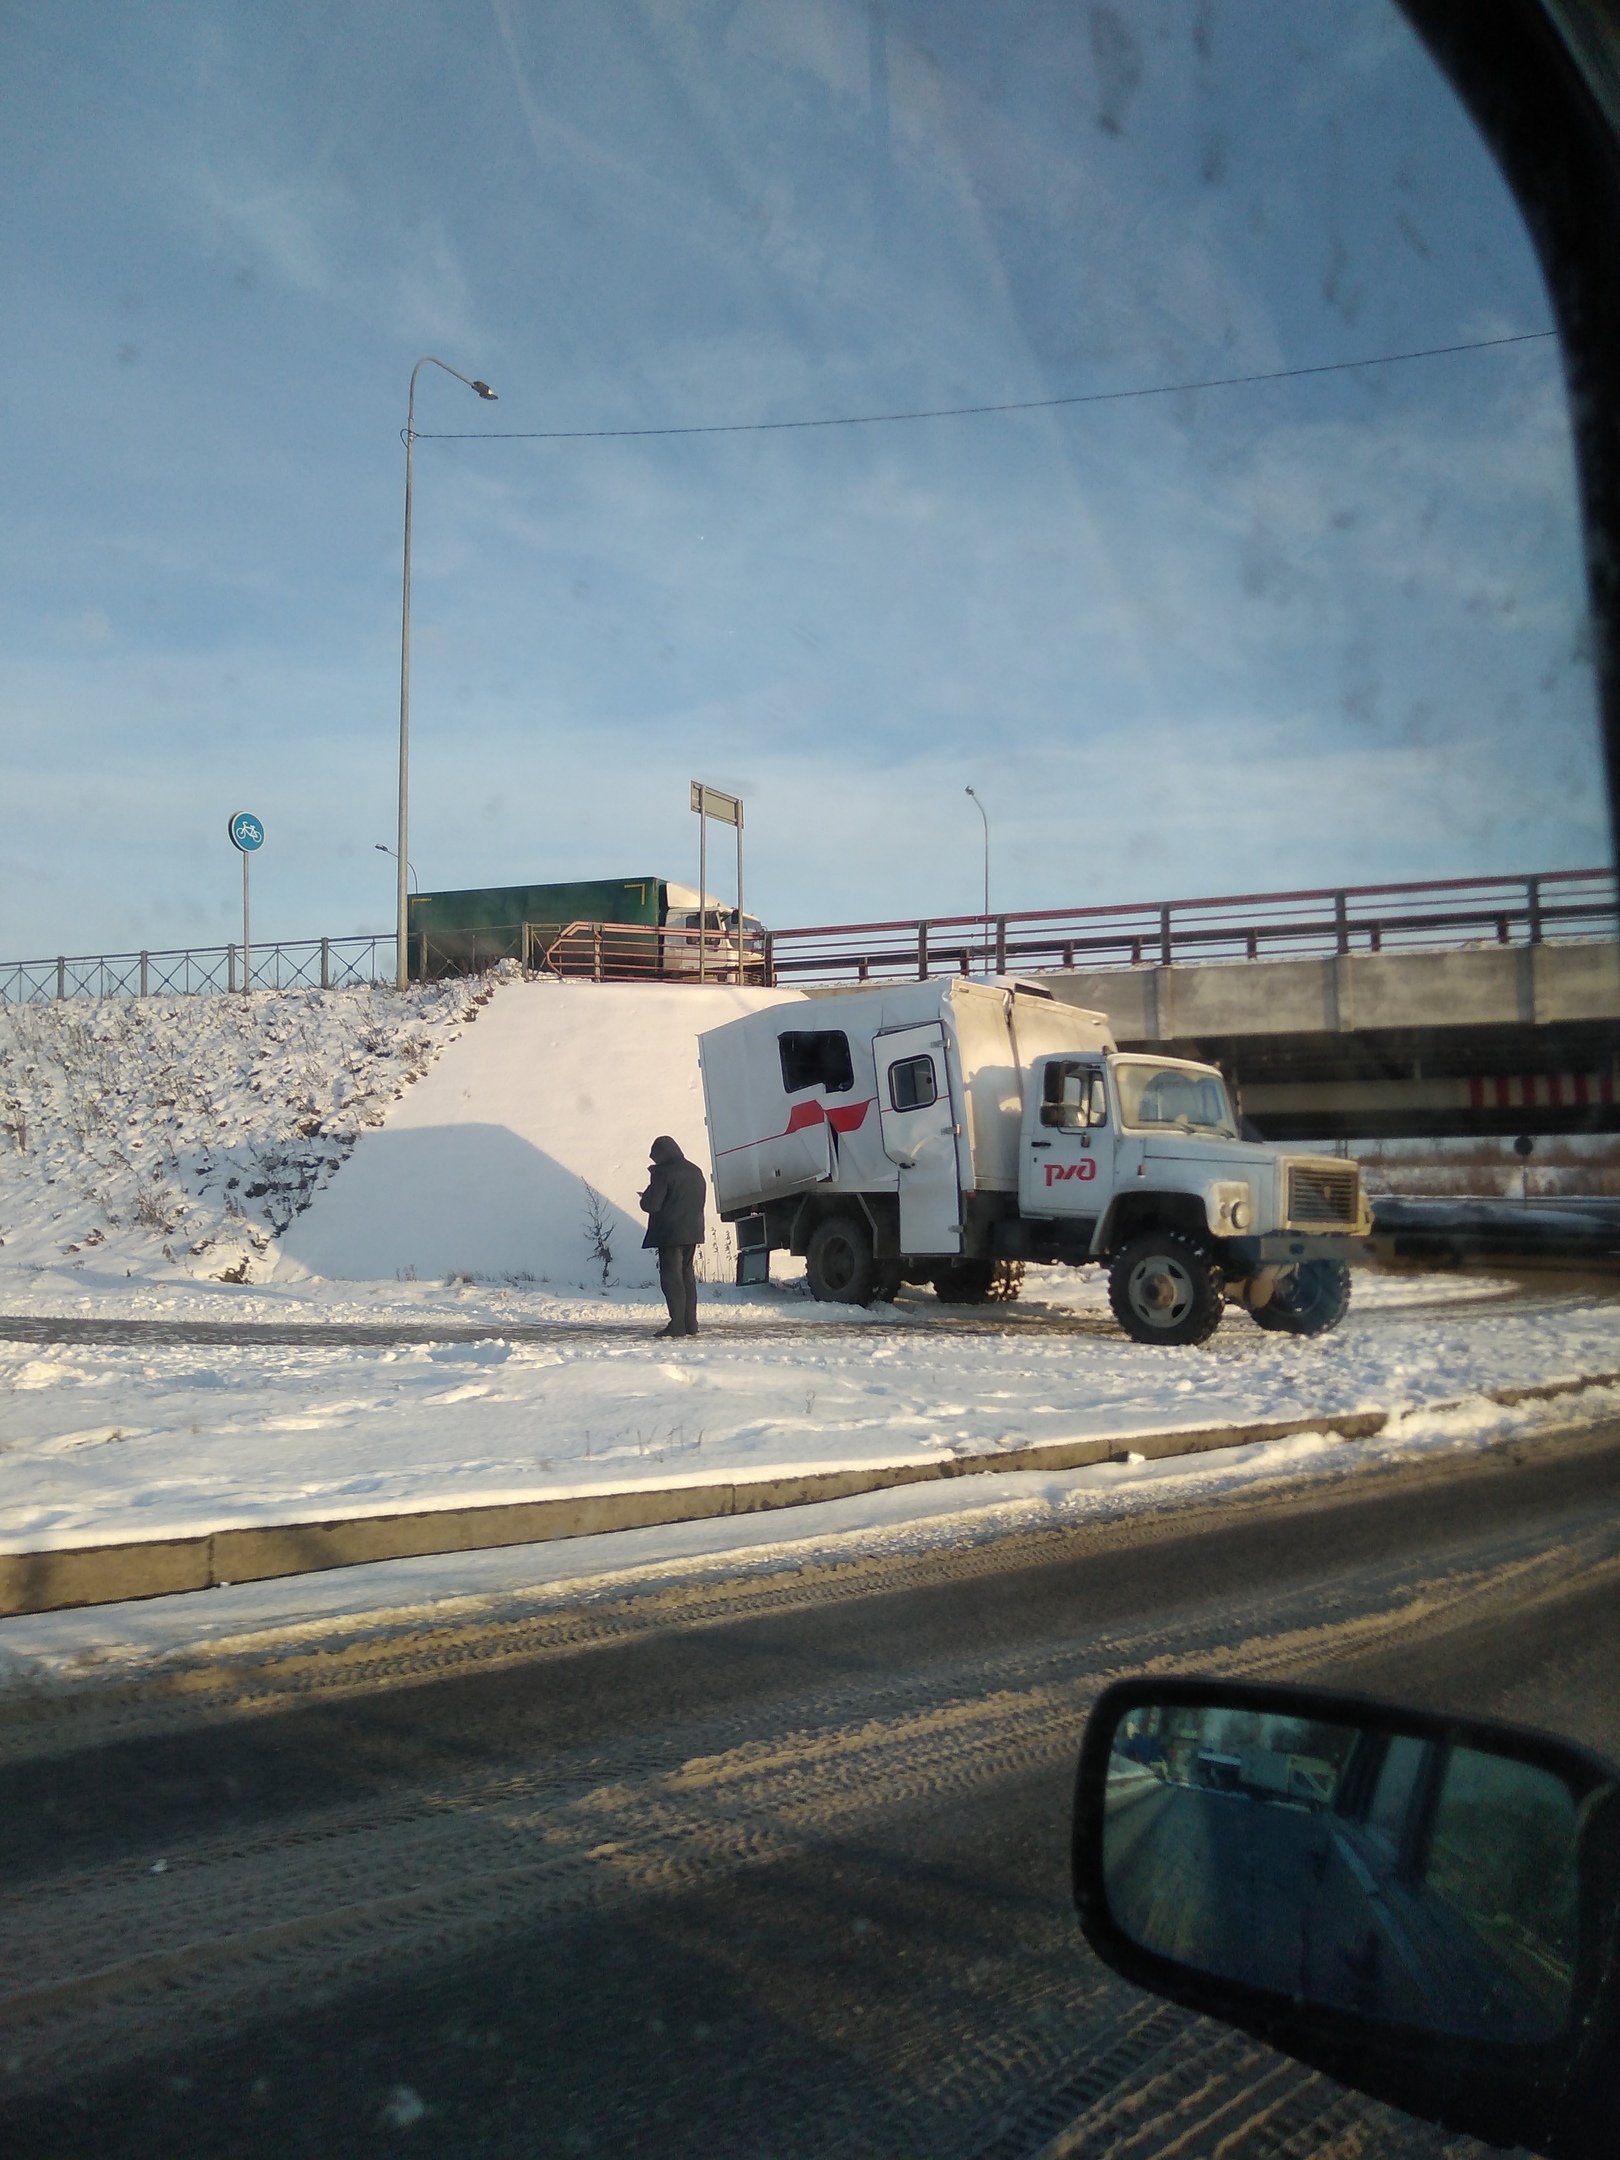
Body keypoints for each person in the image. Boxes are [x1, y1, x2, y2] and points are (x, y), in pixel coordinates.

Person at [639, 1134, 707, 1339]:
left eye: (655, 1157)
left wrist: (645, 1196)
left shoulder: (663, 1173)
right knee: (687, 1276)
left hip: (670, 1234)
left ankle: (676, 1324)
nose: (655, 1162)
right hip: (693, 1231)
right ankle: (690, 1323)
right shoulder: (695, 1170)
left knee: (672, 1279)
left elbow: (652, 1204)